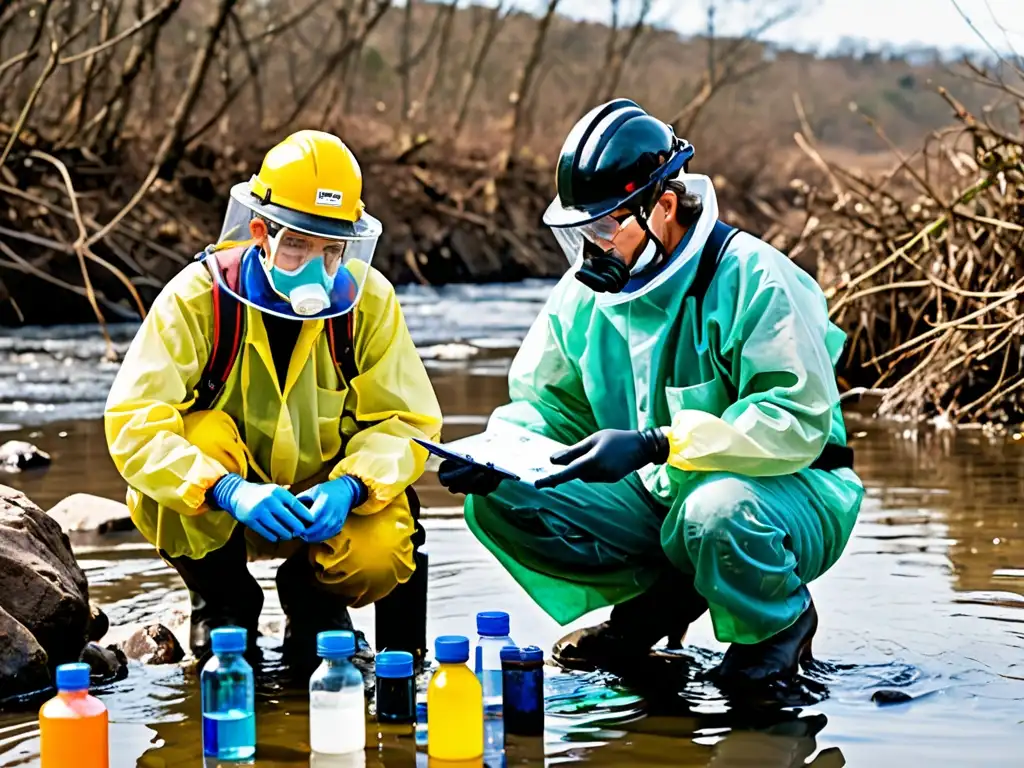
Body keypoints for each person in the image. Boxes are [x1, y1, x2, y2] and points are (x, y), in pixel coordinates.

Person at [437, 100, 864, 688]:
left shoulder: (753, 277)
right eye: (578, 232)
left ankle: (776, 625)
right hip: (660, 497)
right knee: (503, 500)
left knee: (714, 513)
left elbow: (793, 420)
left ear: (663, 205)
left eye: (604, 228)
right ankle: (659, 606)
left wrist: (658, 442)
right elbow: (543, 405)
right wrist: (498, 454)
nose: (591, 248)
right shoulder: (584, 294)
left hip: (786, 492)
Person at [104, 130, 442, 670]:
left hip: (325, 502)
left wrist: (352, 487)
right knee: (191, 446)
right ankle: (223, 600)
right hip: (224, 499)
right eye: (297, 245)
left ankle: (314, 603)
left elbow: (406, 420)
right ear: (260, 233)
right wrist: (227, 489)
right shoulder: (199, 297)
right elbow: (134, 422)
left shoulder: (367, 302)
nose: (316, 265)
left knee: (385, 547)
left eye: (332, 249)